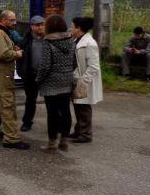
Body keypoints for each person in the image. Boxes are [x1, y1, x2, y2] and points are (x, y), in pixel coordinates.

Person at [0, 10, 28, 149]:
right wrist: (17, 53)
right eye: (12, 20)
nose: (15, 22)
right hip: (1, 73)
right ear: (3, 20)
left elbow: (1, 50)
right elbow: (3, 54)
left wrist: (11, 48)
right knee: (7, 104)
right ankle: (11, 138)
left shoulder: (0, 33)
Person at [36, 15, 76, 153]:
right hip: (67, 81)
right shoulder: (71, 40)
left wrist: (38, 80)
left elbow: (45, 66)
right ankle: (64, 141)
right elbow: (75, 62)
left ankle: (52, 143)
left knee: (52, 113)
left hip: (51, 83)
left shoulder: (47, 42)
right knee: (65, 111)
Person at [70, 16, 103, 144]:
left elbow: (93, 66)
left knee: (84, 107)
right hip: (77, 78)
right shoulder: (77, 40)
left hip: (84, 81)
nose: (70, 29)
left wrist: (83, 82)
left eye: (72, 27)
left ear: (78, 28)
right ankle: (79, 130)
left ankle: (86, 134)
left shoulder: (90, 43)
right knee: (78, 106)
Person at [18, 15, 46, 132]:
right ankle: (27, 122)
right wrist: (21, 72)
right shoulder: (25, 40)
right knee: (30, 100)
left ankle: (56, 123)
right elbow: (19, 57)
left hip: (46, 75)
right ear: (31, 27)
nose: (40, 27)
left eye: (42, 25)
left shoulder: (49, 39)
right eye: (38, 25)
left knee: (51, 101)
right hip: (30, 74)